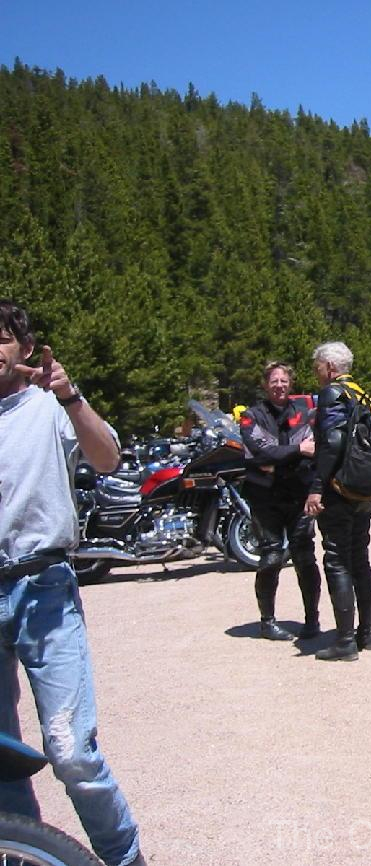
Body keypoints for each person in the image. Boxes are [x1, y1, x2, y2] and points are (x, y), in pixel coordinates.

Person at [0, 300, 148, 866]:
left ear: (25, 348)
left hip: (42, 585)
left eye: (2, 338)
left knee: (70, 751)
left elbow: (108, 458)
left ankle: (123, 857)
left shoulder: (49, 406)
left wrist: (70, 394)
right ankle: (24, 851)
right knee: (1, 755)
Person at [304, 341, 371, 661]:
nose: (316, 372)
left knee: (336, 559)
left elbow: (333, 441)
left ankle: (345, 641)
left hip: (339, 489)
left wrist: (317, 486)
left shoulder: (332, 394)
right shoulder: (362, 394)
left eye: (318, 366)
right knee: (360, 557)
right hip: (365, 487)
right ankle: (367, 633)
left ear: (330, 367)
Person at [239, 362, 323, 641]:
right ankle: (268, 622)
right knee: (271, 557)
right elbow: (260, 454)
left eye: (283, 381)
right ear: (265, 385)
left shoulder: (304, 412)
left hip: (299, 495)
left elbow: (315, 450)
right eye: (274, 381)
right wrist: (298, 450)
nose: (279, 386)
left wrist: (279, 456)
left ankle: (312, 619)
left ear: (291, 384)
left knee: (305, 557)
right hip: (265, 497)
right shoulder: (251, 416)